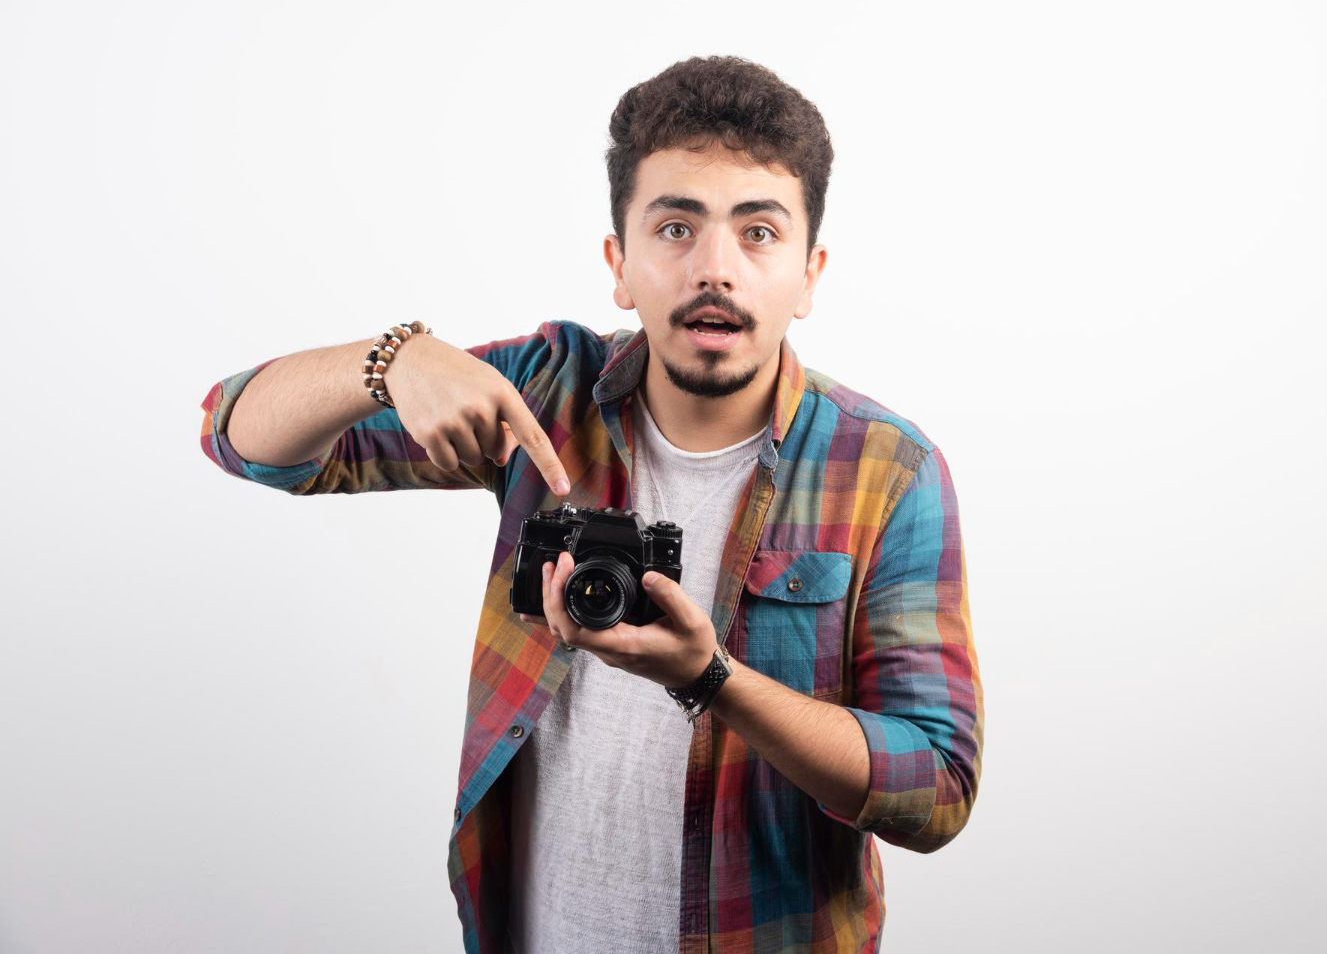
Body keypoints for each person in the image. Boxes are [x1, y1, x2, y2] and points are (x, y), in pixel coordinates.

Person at [198, 54, 983, 954]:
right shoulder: (546, 392)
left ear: (809, 274)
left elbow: (937, 790)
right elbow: (238, 433)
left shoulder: (886, 469)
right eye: (676, 227)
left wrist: (712, 679)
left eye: (758, 232)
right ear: (620, 263)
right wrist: (394, 360)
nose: (715, 269)